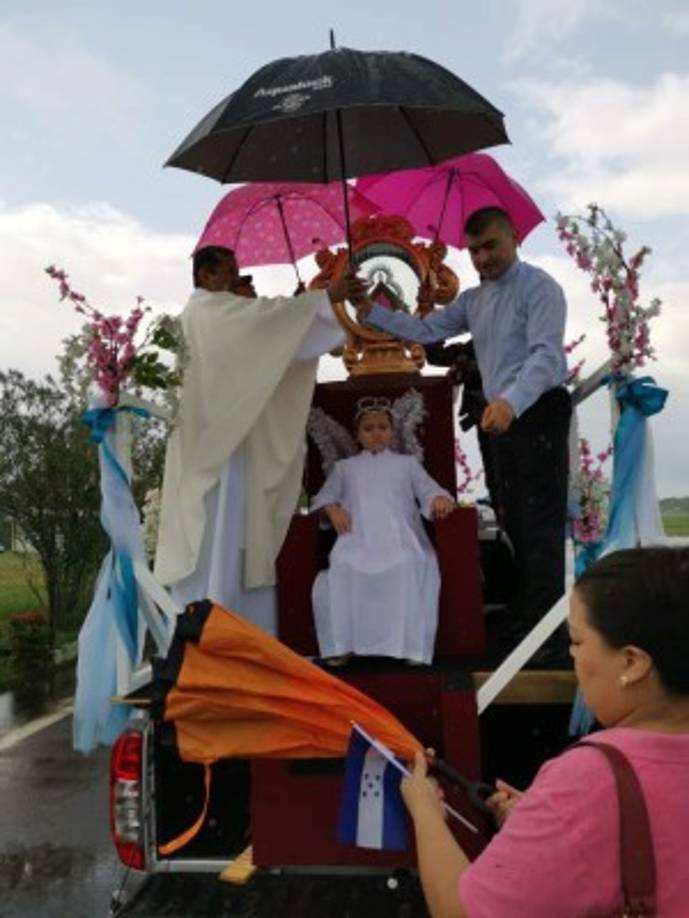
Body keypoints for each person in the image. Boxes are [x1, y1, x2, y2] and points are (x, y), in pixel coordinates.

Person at [400, 546, 689, 917]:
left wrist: (425, 811)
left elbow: (460, 913)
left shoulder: (590, 781)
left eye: (577, 641)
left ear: (631, 663)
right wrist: (549, 825)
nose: (572, 655)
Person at [357, 207, 571, 652]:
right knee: (511, 517)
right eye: (474, 250)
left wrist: (511, 401)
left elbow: (546, 356)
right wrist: (370, 314)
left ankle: (548, 634)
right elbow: (426, 329)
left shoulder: (541, 288)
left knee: (539, 523)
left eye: (490, 245)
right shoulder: (474, 300)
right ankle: (527, 619)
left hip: (536, 412)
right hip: (500, 418)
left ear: (513, 237)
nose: (482, 258)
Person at [154, 245, 368, 635]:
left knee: (220, 538)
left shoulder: (197, 315)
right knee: (224, 536)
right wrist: (319, 302)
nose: (236, 279)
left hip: (214, 444)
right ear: (205, 275)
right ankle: (224, 628)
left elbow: (262, 334)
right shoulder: (210, 311)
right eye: (228, 272)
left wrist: (301, 310)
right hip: (222, 450)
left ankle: (214, 624)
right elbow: (263, 324)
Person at [310, 398, 455, 666]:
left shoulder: (407, 464)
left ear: (391, 430)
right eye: (368, 428)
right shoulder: (345, 469)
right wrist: (332, 509)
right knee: (342, 567)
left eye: (382, 427)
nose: (376, 433)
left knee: (408, 565)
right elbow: (320, 499)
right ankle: (344, 645)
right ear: (357, 434)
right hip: (357, 541)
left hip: (401, 540)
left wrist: (437, 500)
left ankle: (410, 648)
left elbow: (429, 489)